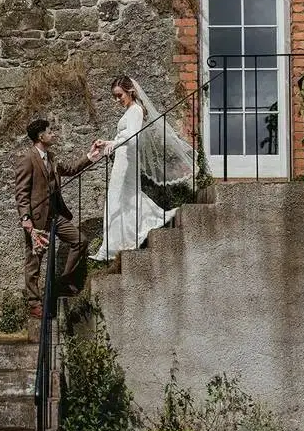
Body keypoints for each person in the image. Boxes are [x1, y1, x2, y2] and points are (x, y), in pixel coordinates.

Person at [90, 76, 195, 261]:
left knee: (118, 198)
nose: (117, 100)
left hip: (128, 160)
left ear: (130, 91)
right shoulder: (130, 110)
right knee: (123, 198)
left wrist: (114, 144)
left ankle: (113, 247)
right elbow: (125, 135)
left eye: (119, 95)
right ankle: (117, 244)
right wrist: (108, 142)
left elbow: (133, 136)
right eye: (114, 97)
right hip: (123, 158)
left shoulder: (136, 110)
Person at [15, 118, 102, 318]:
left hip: (56, 216)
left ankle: (62, 282)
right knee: (34, 262)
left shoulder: (51, 158)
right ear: (40, 136)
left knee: (80, 240)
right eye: (50, 131)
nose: (53, 133)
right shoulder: (28, 159)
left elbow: (70, 169)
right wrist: (25, 218)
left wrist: (90, 156)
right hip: (37, 220)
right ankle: (34, 303)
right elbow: (21, 192)